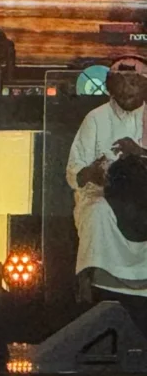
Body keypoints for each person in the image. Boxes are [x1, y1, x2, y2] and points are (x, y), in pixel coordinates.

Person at [66, 57, 147, 299]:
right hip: (103, 193)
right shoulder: (96, 118)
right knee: (96, 212)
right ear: (111, 87)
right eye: (121, 83)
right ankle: (90, 282)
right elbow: (74, 171)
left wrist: (140, 153)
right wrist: (92, 172)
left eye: (134, 83)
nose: (127, 90)